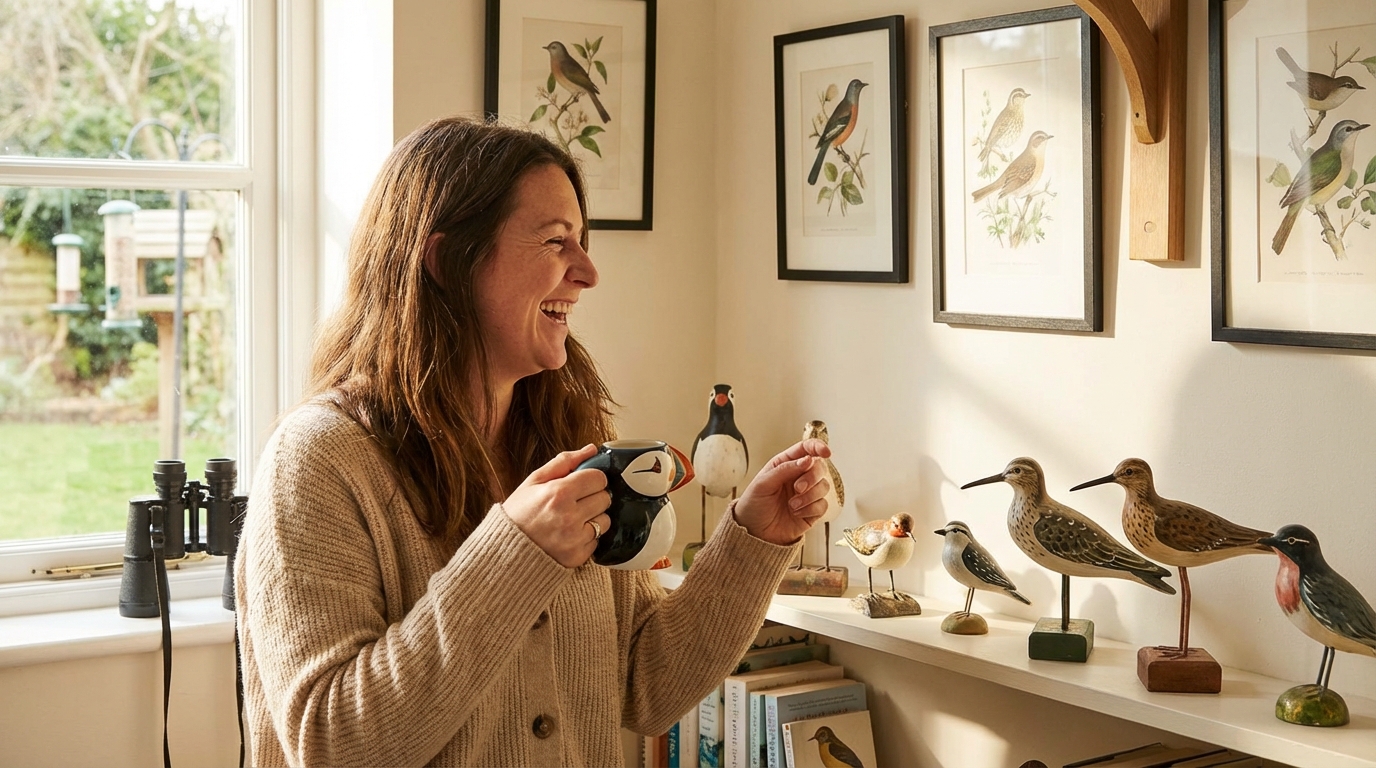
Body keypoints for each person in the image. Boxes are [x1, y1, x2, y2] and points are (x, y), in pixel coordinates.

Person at [235, 116, 834, 767]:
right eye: (556, 242)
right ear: (446, 262)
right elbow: (332, 746)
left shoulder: (566, 442)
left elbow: (645, 687)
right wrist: (513, 556)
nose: (587, 273)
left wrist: (753, 539)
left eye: (581, 241)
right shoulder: (318, 462)